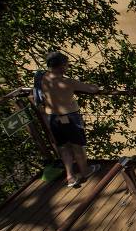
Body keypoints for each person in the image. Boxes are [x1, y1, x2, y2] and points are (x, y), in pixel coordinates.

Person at [41, 51, 102, 187]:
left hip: (52, 118)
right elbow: (92, 89)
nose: (68, 67)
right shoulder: (67, 82)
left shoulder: (44, 77)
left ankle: (70, 176)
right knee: (77, 147)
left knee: (63, 147)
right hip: (70, 118)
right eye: (67, 64)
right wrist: (94, 86)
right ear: (62, 66)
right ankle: (85, 171)